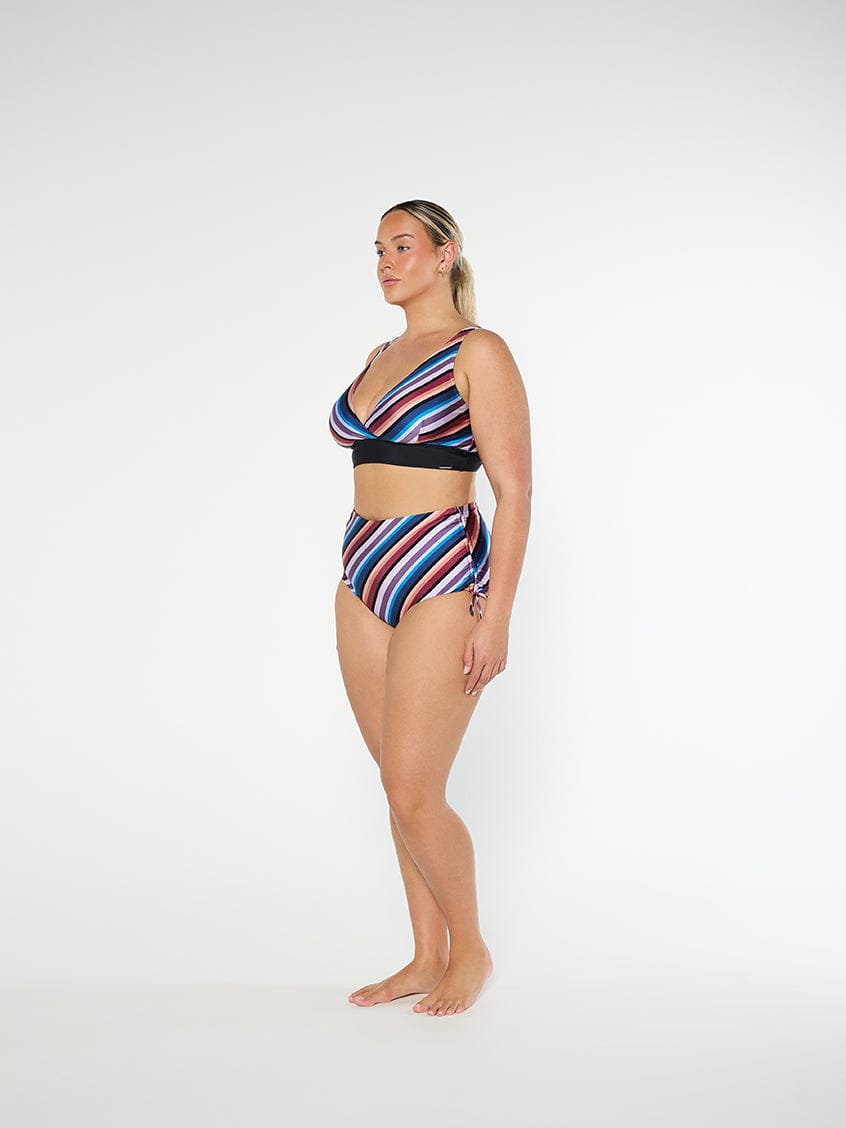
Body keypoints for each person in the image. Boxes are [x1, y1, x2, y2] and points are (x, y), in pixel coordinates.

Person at [328, 199, 532, 1017]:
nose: (385, 261)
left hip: (442, 564)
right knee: (393, 782)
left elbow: (514, 490)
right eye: (378, 249)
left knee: (417, 787)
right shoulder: (379, 352)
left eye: (402, 246)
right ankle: (423, 954)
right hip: (360, 569)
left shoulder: (479, 351)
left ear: (445, 255)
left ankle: (470, 949)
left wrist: (499, 615)